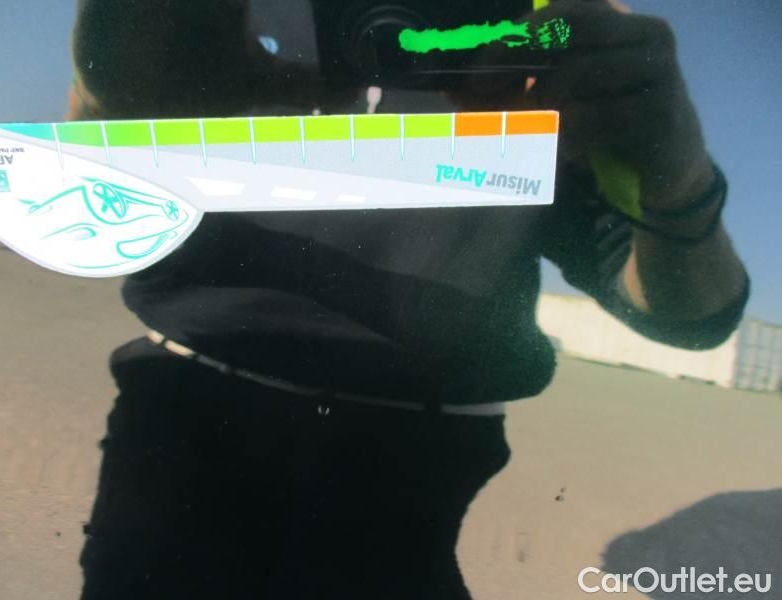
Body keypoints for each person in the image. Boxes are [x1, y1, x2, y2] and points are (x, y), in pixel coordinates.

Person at [67, 1, 750, 598]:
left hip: (402, 476)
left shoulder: (547, 30)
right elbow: (87, 191)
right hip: (182, 421)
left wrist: (676, 175)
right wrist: (107, 79)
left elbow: (691, 318)